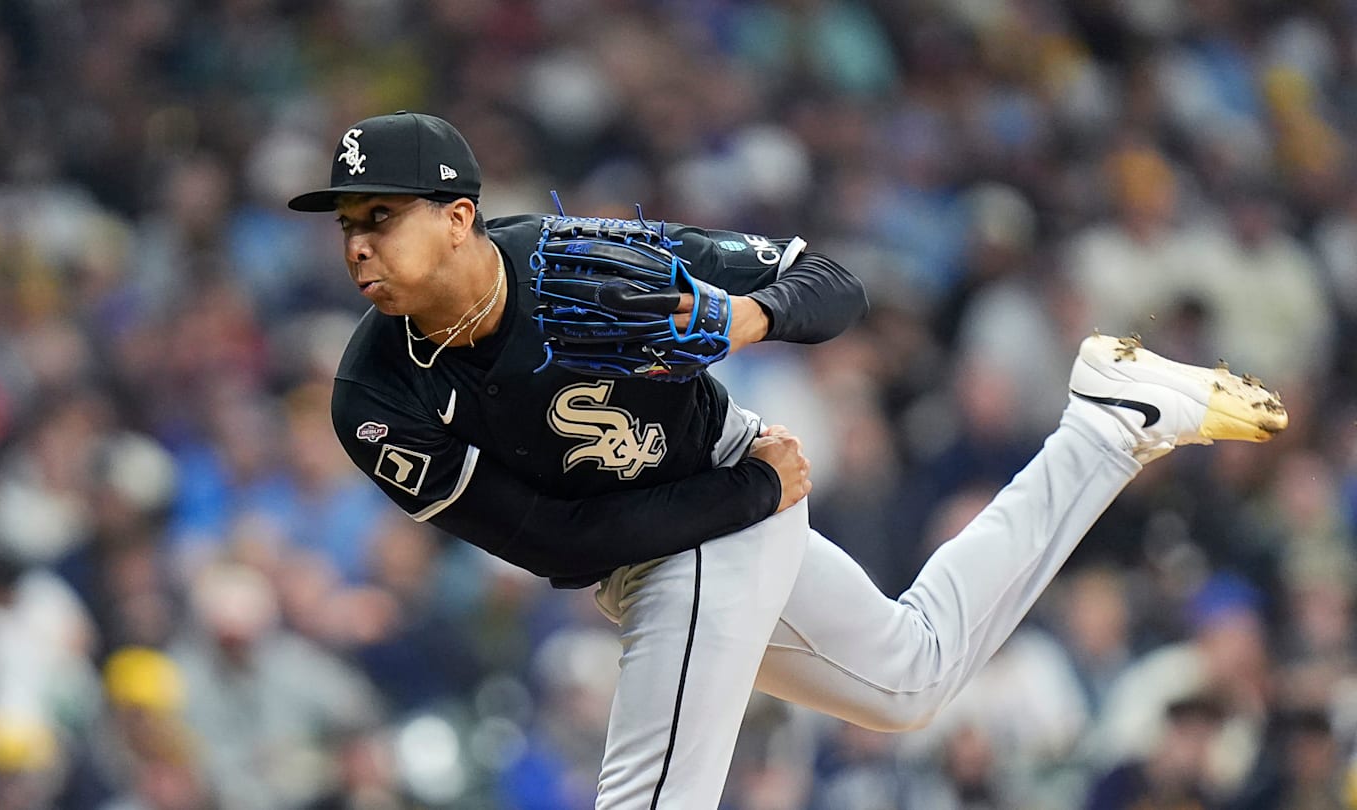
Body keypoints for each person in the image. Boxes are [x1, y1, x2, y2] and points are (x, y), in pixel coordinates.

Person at [288, 111, 1288, 809]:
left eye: (381, 217)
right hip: (690, 517)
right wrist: (755, 491)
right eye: (348, 227)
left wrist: (746, 317)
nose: (358, 247)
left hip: (716, 512)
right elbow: (554, 542)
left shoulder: (575, 256)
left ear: (459, 217)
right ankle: (1109, 427)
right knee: (911, 676)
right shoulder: (375, 399)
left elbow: (833, 282)